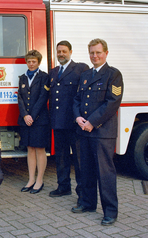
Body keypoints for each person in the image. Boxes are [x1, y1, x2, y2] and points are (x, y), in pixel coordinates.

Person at [72, 39, 123, 226]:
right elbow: (77, 99)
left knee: (105, 173)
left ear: (106, 53)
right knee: (85, 170)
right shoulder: (85, 75)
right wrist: (78, 117)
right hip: (84, 130)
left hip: (102, 132)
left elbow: (112, 102)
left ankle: (110, 211)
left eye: (98, 52)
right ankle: (87, 203)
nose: (95, 56)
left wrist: (92, 122)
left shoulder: (113, 74)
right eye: (92, 53)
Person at [48, 41, 89, 202]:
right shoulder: (54, 72)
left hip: (74, 123)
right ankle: (63, 187)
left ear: (70, 52)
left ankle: (82, 193)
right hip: (58, 123)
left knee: (79, 160)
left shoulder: (80, 69)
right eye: (59, 52)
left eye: (64, 51)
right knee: (61, 157)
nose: (61, 54)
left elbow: (84, 96)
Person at [18, 50, 50, 194]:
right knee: (30, 149)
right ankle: (31, 179)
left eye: (34, 62)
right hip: (26, 120)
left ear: (38, 62)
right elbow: (20, 98)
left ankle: (39, 180)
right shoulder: (22, 78)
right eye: (29, 61)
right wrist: (25, 115)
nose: (31, 64)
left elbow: (43, 98)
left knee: (39, 149)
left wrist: (32, 116)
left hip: (40, 120)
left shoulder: (44, 77)